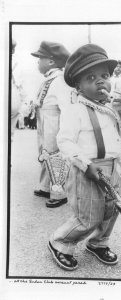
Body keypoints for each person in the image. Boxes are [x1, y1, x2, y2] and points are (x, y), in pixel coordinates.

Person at [48, 44, 121, 271]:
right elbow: (65, 141)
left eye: (104, 75)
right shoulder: (75, 109)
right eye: (91, 77)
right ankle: (60, 242)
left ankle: (99, 242)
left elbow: (116, 140)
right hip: (88, 169)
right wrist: (85, 164)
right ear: (78, 85)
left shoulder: (108, 109)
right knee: (88, 215)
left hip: (111, 168)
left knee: (112, 209)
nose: (100, 81)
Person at [31, 41, 71, 208]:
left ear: (51, 61)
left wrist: (65, 130)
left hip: (55, 121)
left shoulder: (60, 80)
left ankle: (59, 193)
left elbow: (65, 107)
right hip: (46, 118)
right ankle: (45, 186)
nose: (38, 61)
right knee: (45, 151)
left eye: (40, 58)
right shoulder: (50, 79)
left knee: (54, 154)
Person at [11, 39, 26, 141]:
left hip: (14, 104)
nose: (13, 51)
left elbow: (20, 86)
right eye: (12, 48)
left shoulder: (15, 64)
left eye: (13, 48)